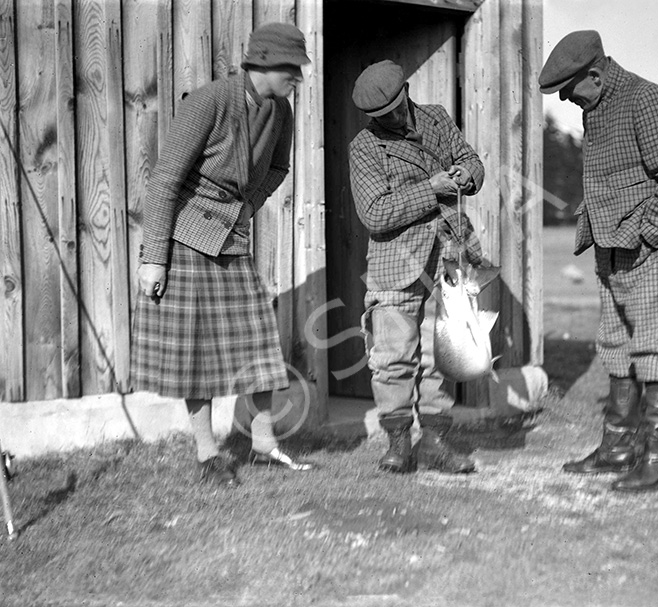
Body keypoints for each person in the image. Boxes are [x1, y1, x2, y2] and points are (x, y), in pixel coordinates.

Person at [131, 23, 314, 487]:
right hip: (188, 238)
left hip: (233, 236)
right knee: (196, 352)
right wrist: (154, 256)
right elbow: (164, 181)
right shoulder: (208, 103)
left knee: (259, 342)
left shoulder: (281, 111)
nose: (298, 77)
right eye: (292, 68)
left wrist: (250, 205)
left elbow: (278, 167)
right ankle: (207, 454)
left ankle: (264, 443)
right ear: (264, 64)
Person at [538, 31, 658, 492]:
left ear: (594, 73)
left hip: (653, 251)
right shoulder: (598, 107)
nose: (567, 100)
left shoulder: (646, 101)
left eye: (569, 90)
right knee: (615, 346)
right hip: (614, 253)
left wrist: (647, 232)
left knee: (655, 349)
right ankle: (616, 449)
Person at [348, 60, 485, 475]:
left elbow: (473, 162)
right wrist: (433, 189)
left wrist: (466, 174)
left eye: (393, 108)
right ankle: (399, 445)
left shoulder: (437, 119)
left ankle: (437, 445)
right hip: (396, 264)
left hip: (451, 255)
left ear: (406, 90)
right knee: (392, 358)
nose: (390, 119)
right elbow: (375, 213)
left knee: (442, 355)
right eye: (379, 116)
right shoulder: (365, 146)